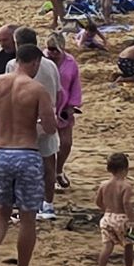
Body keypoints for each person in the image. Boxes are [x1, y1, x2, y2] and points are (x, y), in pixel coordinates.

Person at [0, 42, 60, 266]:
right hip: (27, 153)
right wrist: (37, 128)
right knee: (28, 217)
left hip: (0, 151)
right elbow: (51, 127)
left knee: (1, 212)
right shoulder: (37, 89)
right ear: (35, 63)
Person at [46, 32, 83, 191]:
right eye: (50, 49)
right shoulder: (42, 60)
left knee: (66, 143)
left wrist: (72, 105)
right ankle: (50, 174)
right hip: (46, 106)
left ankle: (58, 169)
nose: (52, 53)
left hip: (63, 106)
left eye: (55, 50)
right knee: (49, 145)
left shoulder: (70, 62)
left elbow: (75, 85)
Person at [94, 154, 134, 266]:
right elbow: (126, 204)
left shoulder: (104, 185)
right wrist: (132, 219)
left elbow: (98, 202)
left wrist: (105, 210)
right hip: (121, 218)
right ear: (125, 169)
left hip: (107, 218)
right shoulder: (126, 186)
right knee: (128, 244)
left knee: (107, 246)